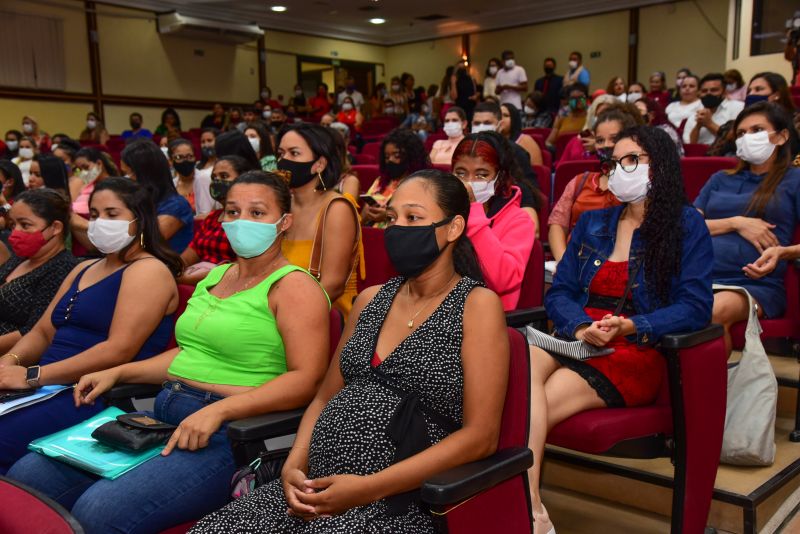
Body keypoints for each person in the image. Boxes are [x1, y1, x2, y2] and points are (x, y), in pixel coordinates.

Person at [7, 171, 331, 532]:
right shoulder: (216, 276)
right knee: (30, 474)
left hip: (230, 431)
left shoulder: (295, 287)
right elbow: (185, 354)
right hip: (162, 416)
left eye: (257, 213)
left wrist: (222, 410)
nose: (242, 222)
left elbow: (306, 381)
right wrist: (121, 372)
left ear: (283, 222)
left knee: (99, 512)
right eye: (233, 211)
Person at [189, 169, 509, 534]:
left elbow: (482, 435)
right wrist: (295, 465)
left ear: (453, 229)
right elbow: (325, 398)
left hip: (394, 500)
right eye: (392, 218)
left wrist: (367, 488)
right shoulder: (371, 300)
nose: (397, 228)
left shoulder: (476, 305)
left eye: (413, 218)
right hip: (313, 488)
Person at [530, 125, 714, 533]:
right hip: (579, 336)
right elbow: (559, 293)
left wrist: (631, 325)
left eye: (631, 160)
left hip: (633, 348)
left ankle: (527, 510)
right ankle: (532, 507)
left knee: (530, 399)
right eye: (615, 162)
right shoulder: (593, 223)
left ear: (660, 167)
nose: (619, 170)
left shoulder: (686, 226)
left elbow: (696, 307)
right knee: (519, 363)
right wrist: (579, 326)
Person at [0, 177, 182, 473]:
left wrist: (32, 375)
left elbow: (117, 350)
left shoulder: (148, 271)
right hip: (44, 384)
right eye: (94, 215)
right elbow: (43, 331)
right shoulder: (84, 266)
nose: (99, 223)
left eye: (112, 214)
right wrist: (8, 365)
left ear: (139, 220)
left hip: (88, 392)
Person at [694, 102, 800, 352]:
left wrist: (783, 252)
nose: (747, 138)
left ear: (782, 135)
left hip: (753, 285)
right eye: (741, 133)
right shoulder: (720, 178)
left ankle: (714, 391)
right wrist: (736, 223)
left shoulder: (794, 179)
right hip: (696, 275)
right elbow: (685, 226)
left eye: (757, 130)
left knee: (708, 314)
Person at [277, 123, 362, 315]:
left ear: (319, 164)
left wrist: (285, 314)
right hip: (277, 307)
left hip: (321, 315)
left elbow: (332, 285)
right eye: (281, 153)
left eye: (294, 153)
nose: (284, 160)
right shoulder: (281, 205)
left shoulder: (336, 209)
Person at [452, 133, 535, 310]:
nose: (469, 182)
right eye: (460, 173)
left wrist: (473, 209)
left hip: (489, 317)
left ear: (499, 178)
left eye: (481, 175)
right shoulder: (442, 211)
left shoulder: (519, 220)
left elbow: (502, 280)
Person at [548, 110, 638, 262]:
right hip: (575, 260)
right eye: (600, 140)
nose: (606, 145)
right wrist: (564, 263)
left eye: (614, 139)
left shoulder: (638, 183)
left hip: (619, 263)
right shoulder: (580, 181)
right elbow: (557, 224)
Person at [0, 189, 78, 354]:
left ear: (55, 227)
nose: (15, 233)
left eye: (25, 225)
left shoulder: (62, 268)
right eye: (13, 225)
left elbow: (35, 331)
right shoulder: (21, 258)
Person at [179, 155, 256, 285]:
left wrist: (199, 276)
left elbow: (248, 265)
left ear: (243, 180)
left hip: (230, 285)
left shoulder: (252, 220)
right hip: (197, 281)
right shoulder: (212, 218)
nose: (217, 182)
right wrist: (171, 269)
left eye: (224, 176)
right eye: (214, 178)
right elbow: (188, 255)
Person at [121, 140, 194, 254]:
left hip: (164, 267)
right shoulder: (137, 200)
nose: (126, 179)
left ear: (145, 174)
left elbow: (144, 243)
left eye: (130, 173)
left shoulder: (176, 205)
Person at [471, 101, 543, 206]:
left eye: (487, 123)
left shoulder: (516, 152)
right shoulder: (465, 151)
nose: (481, 127)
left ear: (499, 125)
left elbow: (531, 192)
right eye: (477, 123)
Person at [362, 128, 429, 228]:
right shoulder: (380, 181)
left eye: (396, 155)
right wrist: (367, 213)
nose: (390, 160)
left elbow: (418, 218)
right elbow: (363, 215)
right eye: (387, 157)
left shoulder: (421, 184)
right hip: (371, 232)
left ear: (410, 156)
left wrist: (387, 216)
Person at [685, 73, 745, 145]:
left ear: (724, 92)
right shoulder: (694, 113)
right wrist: (698, 126)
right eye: (704, 91)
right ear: (699, 93)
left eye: (714, 90)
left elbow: (735, 139)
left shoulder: (738, 107)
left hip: (727, 154)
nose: (708, 93)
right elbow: (689, 144)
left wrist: (709, 124)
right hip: (699, 155)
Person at [169, 138, 213, 217]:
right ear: (171, 161)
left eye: (189, 156)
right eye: (179, 157)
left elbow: (207, 214)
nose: (185, 160)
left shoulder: (204, 178)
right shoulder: (172, 184)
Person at [546, 83, 589, 148]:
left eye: (580, 97)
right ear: (568, 100)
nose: (577, 101)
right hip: (562, 153)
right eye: (573, 98)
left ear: (586, 99)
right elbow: (549, 141)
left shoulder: (592, 114)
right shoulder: (562, 114)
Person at [195, 128, 219, 201]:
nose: (206, 145)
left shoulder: (223, 164)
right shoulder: (197, 165)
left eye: (209, 140)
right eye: (203, 142)